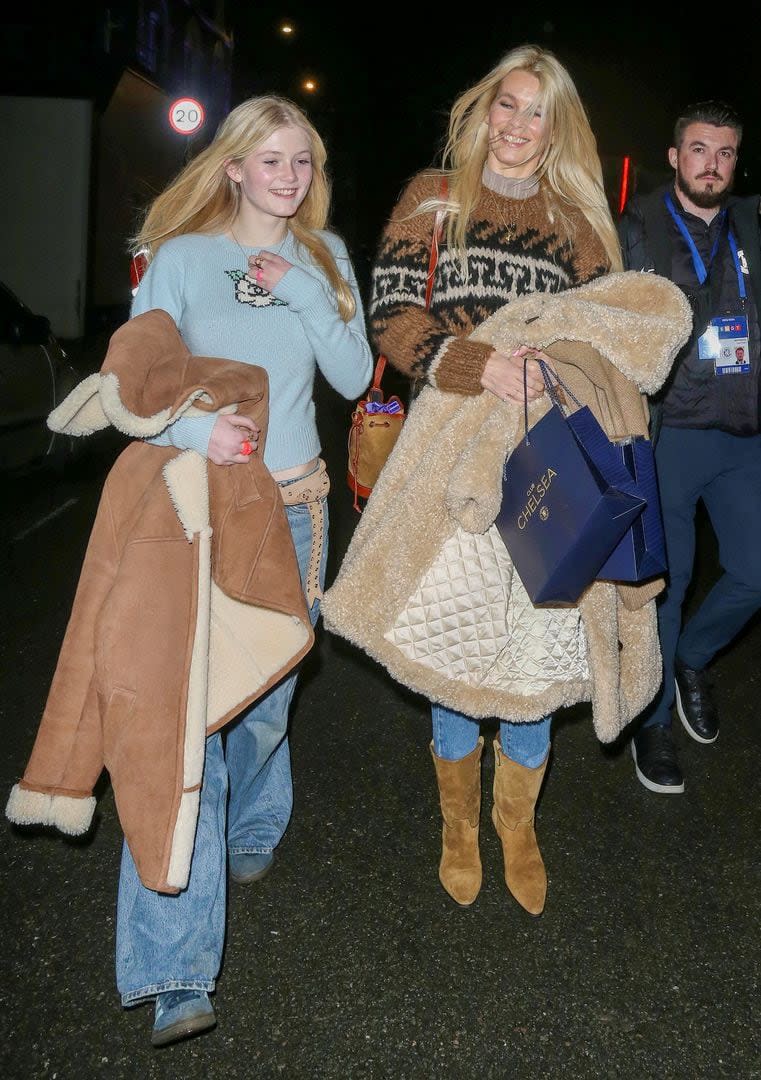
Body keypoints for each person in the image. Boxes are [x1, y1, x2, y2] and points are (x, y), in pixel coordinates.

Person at [117, 95, 372, 1044]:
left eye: (302, 161)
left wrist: (307, 288)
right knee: (185, 732)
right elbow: (134, 379)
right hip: (197, 504)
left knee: (263, 706)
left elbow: (351, 380)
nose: (289, 176)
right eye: (270, 160)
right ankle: (174, 973)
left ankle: (260, 817)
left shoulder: (326, 254)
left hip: (297, 507)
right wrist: (192, 425)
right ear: (231, 165)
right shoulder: (182, 259)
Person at [363, 44, 626, 916]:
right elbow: (392, 311)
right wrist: (477, 365)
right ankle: (457, 825)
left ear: (557, 128)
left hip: (544, 455)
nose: (516, 125)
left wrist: (555, 371)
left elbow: (606, 336)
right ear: (485, 111)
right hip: (447, 449)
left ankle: (517, 825)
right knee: (455, 639)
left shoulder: (578, 221)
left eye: (535, 112)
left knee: (535, 640)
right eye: (507, 105)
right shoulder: (433, 198)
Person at [619, 100, 761, 794]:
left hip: (743, 432)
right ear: (675, 156)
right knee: (663, 589)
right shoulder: (637, 227)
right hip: (667, 432)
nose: (711, 163)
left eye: (725, 152)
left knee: (753, 573)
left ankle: (691, 660)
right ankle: (652, 726)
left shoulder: (752, 223)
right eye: (698, 149)